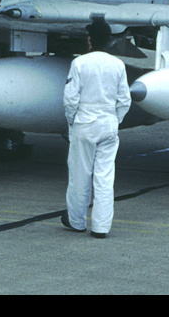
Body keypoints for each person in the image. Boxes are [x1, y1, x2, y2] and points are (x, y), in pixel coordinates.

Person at [61, 18, 131, 238]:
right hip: (109, 124)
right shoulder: (118, 64)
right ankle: (101, 227)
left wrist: (72, 121)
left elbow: (70, 99)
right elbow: (125, 100)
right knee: (104, 177)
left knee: (80, 176)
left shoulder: (80, 63)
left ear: (90, 39)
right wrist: (115, 120)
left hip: (84, 123)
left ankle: (77, 221)